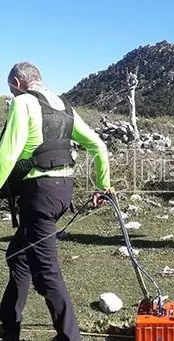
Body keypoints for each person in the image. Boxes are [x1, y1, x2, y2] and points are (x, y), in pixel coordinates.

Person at [0, 62, 111, 341]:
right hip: (62, 192)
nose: (11, 93)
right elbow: (98, 145)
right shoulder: (64, 106)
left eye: (10, 88)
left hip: (38, 195)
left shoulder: (23, 102)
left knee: (46, 272)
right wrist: (103, 185)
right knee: (18, 256)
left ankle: (70, 337)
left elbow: (7, 154)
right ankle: (8, 325)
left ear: (17, 82)